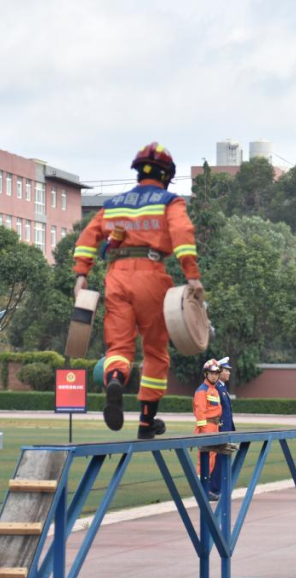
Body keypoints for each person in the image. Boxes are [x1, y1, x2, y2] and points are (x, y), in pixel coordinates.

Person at [73, 142, 204, 440]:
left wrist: (81, 274)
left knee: (119, 347)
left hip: (116, 276)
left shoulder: (114, 204)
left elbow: (87, 237)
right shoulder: (170, 202)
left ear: (138, 173)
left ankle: (115, 378)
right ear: (167, 175)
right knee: (155, 351)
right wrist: (192, 275)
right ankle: (146, 422)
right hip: (151, 274)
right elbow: (182, 235)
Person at [193, 359, 223, 500]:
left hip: (214, 427)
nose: (214, 376)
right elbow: (200, 414)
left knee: (211, 460)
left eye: (216, 373)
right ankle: (201, 490)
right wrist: (205, 434)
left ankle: (206, 489)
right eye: (211, 373)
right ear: (206, 374)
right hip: (207, 428)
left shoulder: (214, 390)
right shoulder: (202, 391)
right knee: (204, 460)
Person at [216, 357, 235, 432]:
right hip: (222, 427)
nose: (229, 373)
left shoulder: (222, 386)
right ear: (219, 372)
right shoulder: (217, 387)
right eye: (226, 370)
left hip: (227, 426)